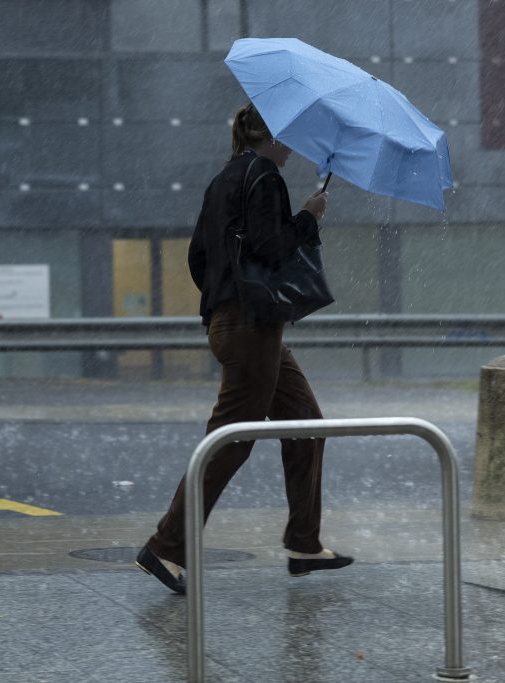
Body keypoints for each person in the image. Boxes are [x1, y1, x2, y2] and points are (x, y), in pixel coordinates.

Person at [135, 103, 353, 594]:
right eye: (288, 137)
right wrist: (309, 216)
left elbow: (198, 257)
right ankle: (166, 546)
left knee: (306, 424)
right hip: (251, 327)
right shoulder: (265, 176)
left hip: (237, 323)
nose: (292, 147)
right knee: (229, 441)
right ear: (270, 137)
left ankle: (304, 543)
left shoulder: (224, 179)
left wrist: (224, 299)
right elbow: (270, 247)